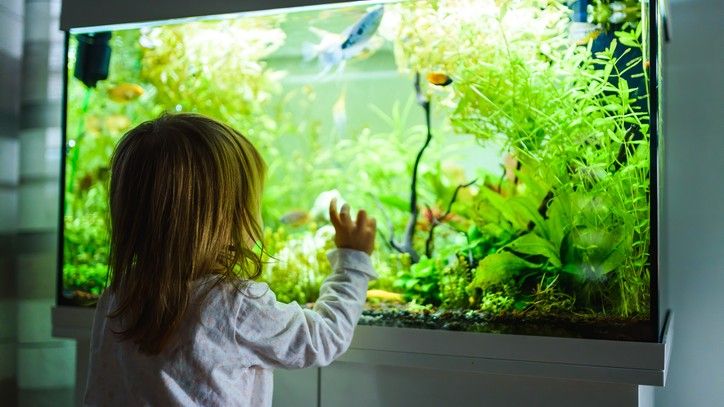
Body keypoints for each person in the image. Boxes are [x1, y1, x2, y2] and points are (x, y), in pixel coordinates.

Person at [84, 113, 377, 406]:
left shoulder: (115, 297)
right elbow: (323, 338)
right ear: (226, 216)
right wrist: (352, 262)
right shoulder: (233, 305)